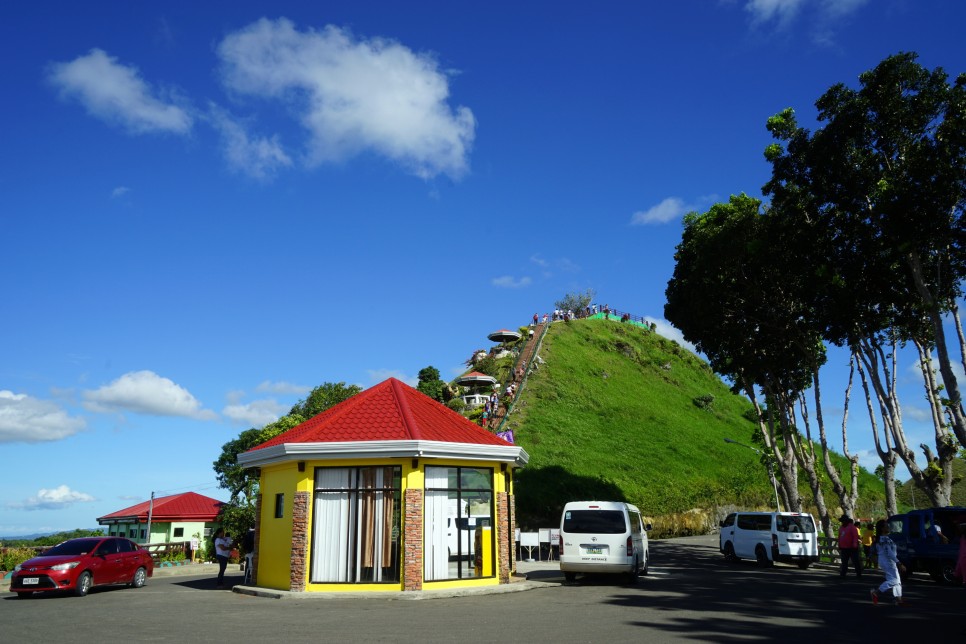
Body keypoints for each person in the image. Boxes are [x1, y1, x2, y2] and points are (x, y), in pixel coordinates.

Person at [870, 519, 905, 605]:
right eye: (886, 525)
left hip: (887, 561)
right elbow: (890, 553)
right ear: (882, 528)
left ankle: (898, 599)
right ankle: (876, 592)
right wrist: (899, 563)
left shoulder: (884, 539)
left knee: (896, 580)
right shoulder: (884, 540)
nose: (888, 526)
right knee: (895, 580)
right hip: (888, 562)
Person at [954, 522, 966, 588]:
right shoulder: (963, 536)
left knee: (960, 568)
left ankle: (960, 580)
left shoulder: (962, 536)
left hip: (962, 555)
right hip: (963, 555)